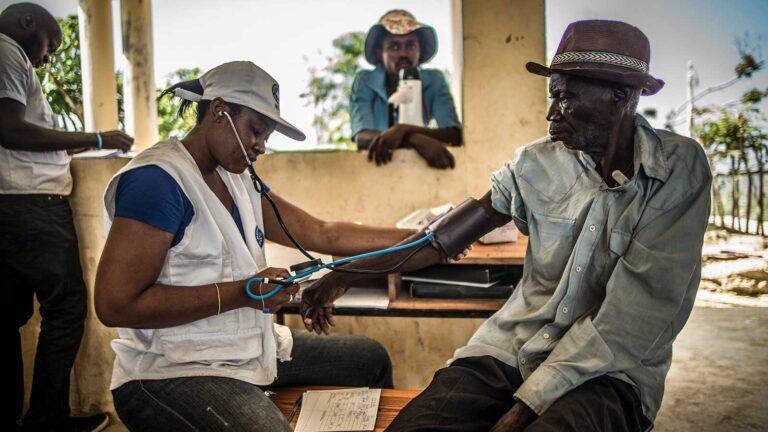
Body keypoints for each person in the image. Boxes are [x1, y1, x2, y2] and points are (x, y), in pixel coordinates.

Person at [302, 20, 712, 432]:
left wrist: (525, 408)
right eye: (553, 96)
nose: (551, 114)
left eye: (566, 98)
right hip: (513, 349)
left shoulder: (677, 170)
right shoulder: (534, 164)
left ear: (619, 96)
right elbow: (436, 241)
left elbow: (631, 320)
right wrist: (344, 273)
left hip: (610, 372)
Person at [94, 61, 423, 432]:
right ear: (219, 111)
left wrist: (424, 237)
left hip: (240, 347)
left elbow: (321, 232)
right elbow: (115, 304)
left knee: (368, 360)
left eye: (265, 136)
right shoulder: (157, 182)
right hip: (169, 370)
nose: (261, 147)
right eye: (255, 131)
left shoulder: (237, 180)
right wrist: (246, 293)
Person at [0, 3, 133, 431]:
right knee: (67, 307)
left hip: (11, 207)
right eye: (50, 45)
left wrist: (80, 144)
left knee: (10, 316)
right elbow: (10, 129)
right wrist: (97, 136)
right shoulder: (6, 52)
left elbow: (27, 136)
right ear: (26, 24)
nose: (47, 58)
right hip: (32, 208)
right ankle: (46, 419)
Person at [350, 9, 462, 169]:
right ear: (380, 52)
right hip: (379, 168)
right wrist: (414, 139)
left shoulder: (434, 79)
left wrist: (403, 130)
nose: (403, 53)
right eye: (394, 46)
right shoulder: (365, 81)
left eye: (410, 45)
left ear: (419, 50)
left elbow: (453, 134)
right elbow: (362, 137)